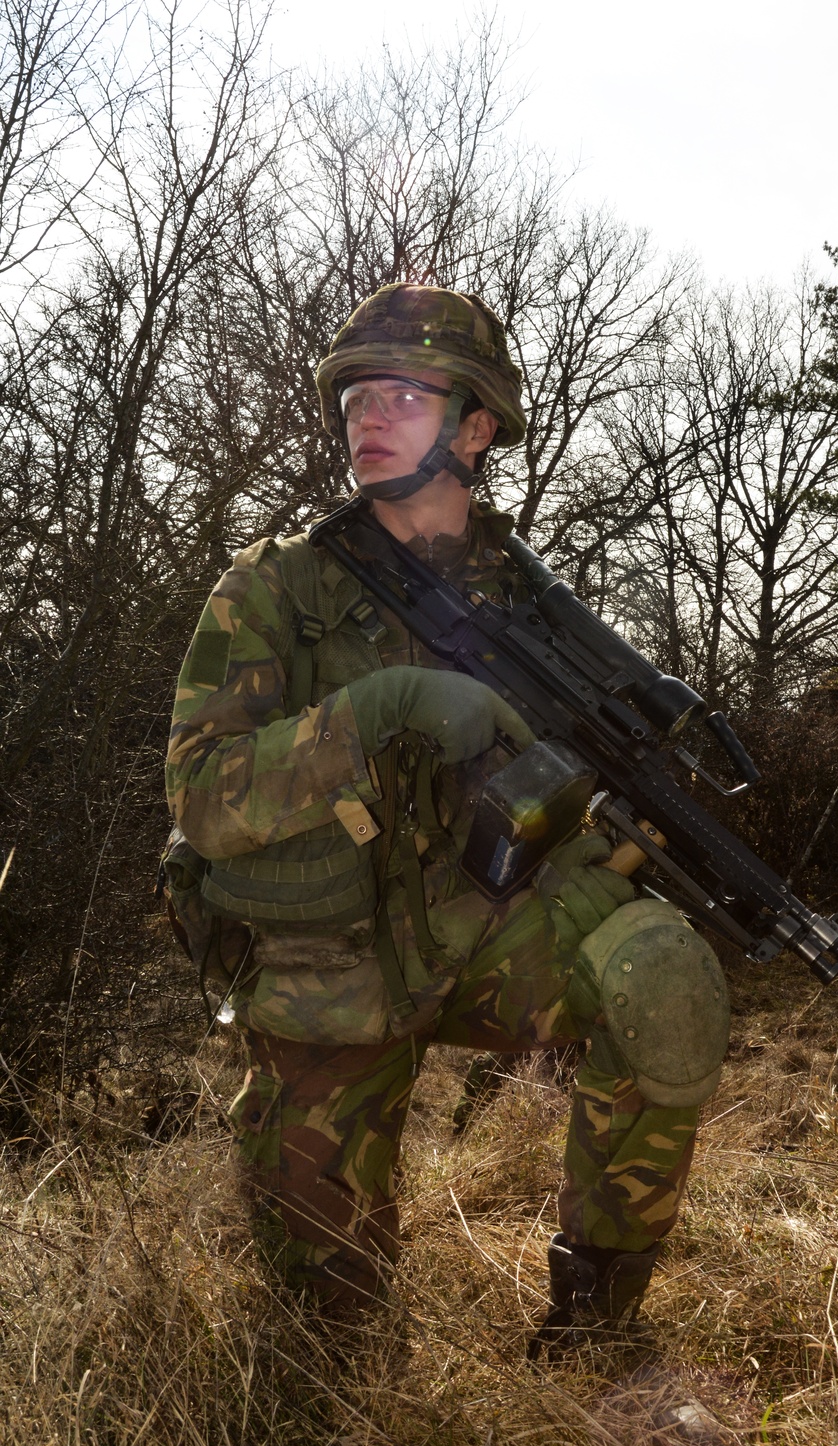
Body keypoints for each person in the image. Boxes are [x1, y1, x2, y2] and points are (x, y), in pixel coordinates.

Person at [164, 283, 730, 1348]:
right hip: (322, 962)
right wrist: (378, 710)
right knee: (328, 1343)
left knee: (663, 975)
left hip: (474, 929)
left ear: (476, 427)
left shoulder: (528, 604)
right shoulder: (275, 590)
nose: (366, 419)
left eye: (401, 396)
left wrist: (599, 843)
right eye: (355, 400)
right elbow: (202, 801)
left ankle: (593, 1336)